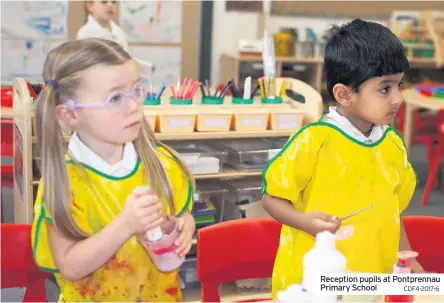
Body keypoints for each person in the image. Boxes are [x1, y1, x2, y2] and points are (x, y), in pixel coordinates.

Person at [261, 19, 425, 299]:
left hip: (372, 281)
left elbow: (392, 212)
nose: (398, 98)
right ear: (344, 94)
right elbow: (271, 197)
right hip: (315, 282)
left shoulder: (393, 144)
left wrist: (406, 259)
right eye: (385, 88)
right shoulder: (314, 140)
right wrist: (304, 222)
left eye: (399, 85)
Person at [31, 38, 195, 302]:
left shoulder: (161, 164)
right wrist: (126, 225)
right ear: (70, 115)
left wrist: (184, 227)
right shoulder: (65, 181)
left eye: (136, 91)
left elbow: (183, 215)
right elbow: (70, 266)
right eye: (115, 98)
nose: (133, 106)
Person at [77, 1, 154, 78]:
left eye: (114, 2)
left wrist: (143, 68)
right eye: (104, 2)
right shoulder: (85, 34)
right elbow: (85, 69)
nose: (110, 5)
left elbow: (126, 57)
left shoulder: (118, 31)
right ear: (90, 6)